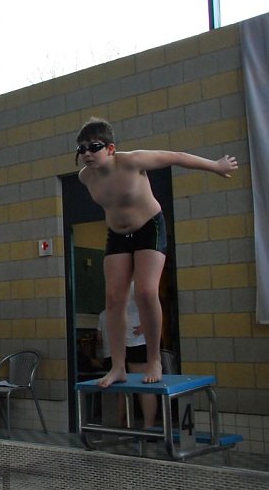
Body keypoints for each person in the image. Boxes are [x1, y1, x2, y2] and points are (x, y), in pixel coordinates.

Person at [76, 116, 238, 387]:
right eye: (82, 149)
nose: (87, 154)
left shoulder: (132, 161)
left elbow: (175, 156)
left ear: (111, 148)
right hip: (117, 233)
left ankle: (154, 359)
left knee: (145, 292)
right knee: (114, 298)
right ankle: (118, 366)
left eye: (94, 147)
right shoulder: (84, 177)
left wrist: (216, 166)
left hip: (149, 227)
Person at [97, 282, 157, 428]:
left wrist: (147, 325)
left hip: (138, 341)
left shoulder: (140, 280)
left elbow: (153, 301)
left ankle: (149, 426)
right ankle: (118, 424)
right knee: (123, 387)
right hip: (122, 343)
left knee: (144, 385)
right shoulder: (118, 277)